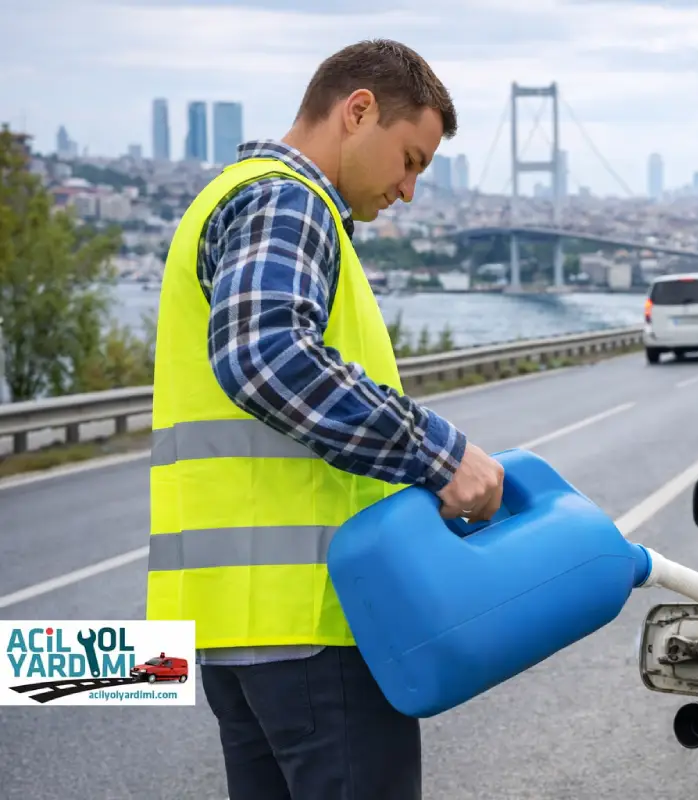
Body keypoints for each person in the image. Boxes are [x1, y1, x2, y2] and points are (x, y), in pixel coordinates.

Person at [145, 39, 502, 800]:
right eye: (410, 159)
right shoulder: (287, 199)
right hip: (317, 624)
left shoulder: (229, 196)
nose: (408, 190)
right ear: (358, 110)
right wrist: (442, 455)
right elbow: (265, 353)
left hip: (235, 632)